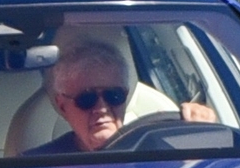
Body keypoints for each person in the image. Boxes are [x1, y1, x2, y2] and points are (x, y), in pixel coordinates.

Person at [27, 38, 214, 155]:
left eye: (113, 95)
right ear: (62, 106)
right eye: (87, 98)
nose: (102, 108)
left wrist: (201, 133)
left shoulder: (162, 150)